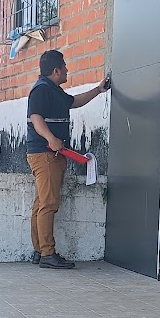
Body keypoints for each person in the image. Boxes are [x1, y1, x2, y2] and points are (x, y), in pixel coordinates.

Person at [26, 49, 111, 269]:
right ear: (56, 70)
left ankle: (39, 251)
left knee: (41, 203)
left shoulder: (54, 90)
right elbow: (36, 118)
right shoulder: (41, 90)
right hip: (45, 154)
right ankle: (47, 253)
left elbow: (75, 101)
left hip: (50, 154)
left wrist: (99, 90)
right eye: (64, 66)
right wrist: (51, 139)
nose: (67, 70)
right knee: (48, 204)